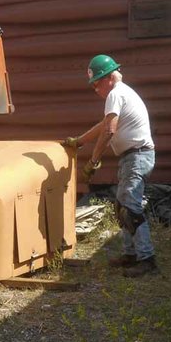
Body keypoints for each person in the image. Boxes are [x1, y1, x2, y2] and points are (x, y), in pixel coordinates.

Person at [67, 54, 157, 277]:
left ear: (108, 77)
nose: (95, 89)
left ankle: (148, 260)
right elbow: (104, 125)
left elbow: (109, 131)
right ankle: (130, 255)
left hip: (137, 156)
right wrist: (79, 141)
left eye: (96, 83)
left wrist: (93, 161)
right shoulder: (123, 93)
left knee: (131, 208)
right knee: (123, 206)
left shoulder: (115, 94)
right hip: (133, 156)